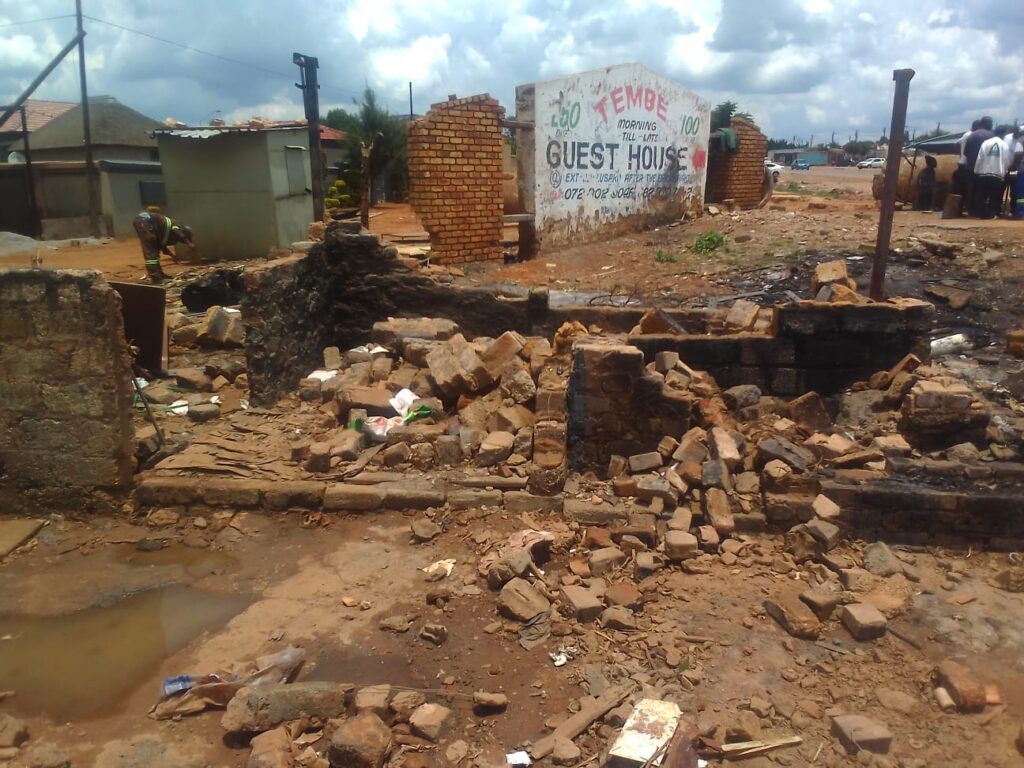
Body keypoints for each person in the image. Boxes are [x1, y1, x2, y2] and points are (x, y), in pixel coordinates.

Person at [132, 210, 194, 284]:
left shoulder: (164, 233)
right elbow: (177, 231)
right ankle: (156, 278)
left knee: (155, 252)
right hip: (144, 221)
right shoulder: (178, 226)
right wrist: (189, 244)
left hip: (147, 223)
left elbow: (162, 247)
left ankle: (160, 275)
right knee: (151, 250)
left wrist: (172, 255)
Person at [973, 133, 1011, 219]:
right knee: (994, 196)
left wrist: (976, 171)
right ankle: (992, 214)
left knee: (982, 195)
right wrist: (1004, 171)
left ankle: (979, 214)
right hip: (997, 174)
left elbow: (979, 158)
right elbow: (1007, 160)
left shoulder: (986, 143)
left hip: (983, 173)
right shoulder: (1004, 144)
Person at [963, 117, 996, 214]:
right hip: (984, 168)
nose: (992, 125)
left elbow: (965, 153)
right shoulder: (991, 136)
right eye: (991, 123)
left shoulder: (972, 135)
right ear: (988, 124)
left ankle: (970, 210)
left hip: (970, 167)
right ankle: (980, 211)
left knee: (971, 189)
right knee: (982, 191)